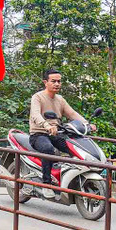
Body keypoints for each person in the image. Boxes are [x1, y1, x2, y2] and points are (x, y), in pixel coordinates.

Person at [27, 69, 93, 197]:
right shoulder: (38, 97)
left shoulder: (60, 99)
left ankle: (69, 178)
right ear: (45, 82)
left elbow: (72, 113)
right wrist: (46, 125)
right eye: (53, 81)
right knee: (48, 149)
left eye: (59, 81)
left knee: (74, 147)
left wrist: (86, 124)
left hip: (56, 133)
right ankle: (46, 184)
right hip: (39, 134)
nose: (57, 84)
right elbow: (35, 114)